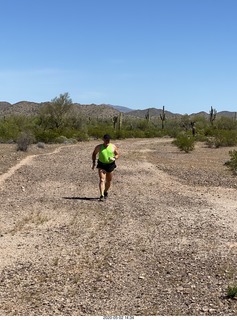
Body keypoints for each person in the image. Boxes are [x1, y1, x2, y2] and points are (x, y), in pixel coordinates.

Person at [92, 134, 119, 201]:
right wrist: (93, 163)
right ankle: (102, 195)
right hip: (101, 165)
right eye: (106, 140)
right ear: (103, 140)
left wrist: (115, 158)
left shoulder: (113, 146)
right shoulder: (99, 147)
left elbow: (117, 154)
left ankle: (105, 191)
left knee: (109, 181)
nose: (107, 141)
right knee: (102, 179)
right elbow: (94, 154)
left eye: (108, 140)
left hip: (110, 165)